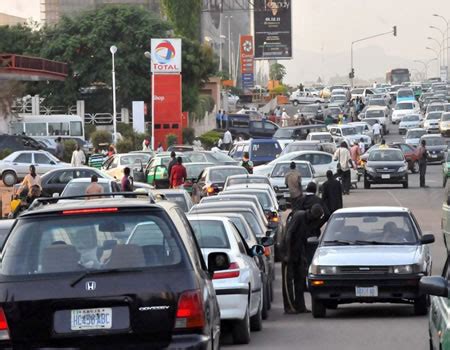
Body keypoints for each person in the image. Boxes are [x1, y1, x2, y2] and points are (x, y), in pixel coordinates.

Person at [282, 204, 324, 314]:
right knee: (288, 281)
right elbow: (288, 235)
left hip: (299, 251)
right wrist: (287, 254)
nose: (315, 220)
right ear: (311, 213)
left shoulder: (310, 222)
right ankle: (289, 307)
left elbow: (305, 239)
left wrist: (304, 257)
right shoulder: (299, 216)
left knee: (300, 279)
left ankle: (300, 306)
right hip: (289, 250)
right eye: (315, 218)